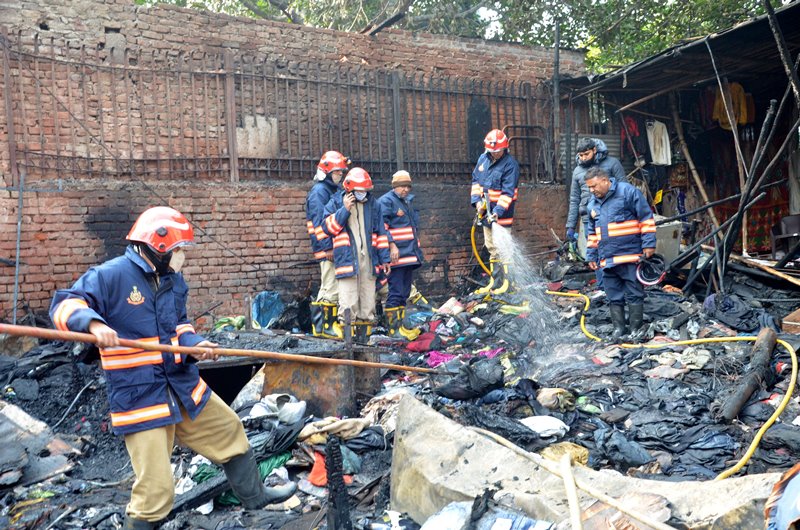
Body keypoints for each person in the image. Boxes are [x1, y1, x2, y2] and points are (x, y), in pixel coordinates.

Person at [49, 207, 295, 530]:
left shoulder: (174, 282)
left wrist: (195, 345)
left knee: (231, 431)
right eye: (178, 250)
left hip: (182, 387)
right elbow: (64, 304)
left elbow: (179, 326)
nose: (182, 257)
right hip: (141, 398)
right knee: (156, 491)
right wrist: (93, 324)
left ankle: (256, 497)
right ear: (159, 246)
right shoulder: (111, 276)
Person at [584, 168, 656, 340]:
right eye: (589, 188)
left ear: (604, 180)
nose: (592, 191)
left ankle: (635, 329)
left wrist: (649, 244)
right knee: (613, 295)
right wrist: (591, 256)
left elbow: (646, 218)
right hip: (607, 260)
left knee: (634, 293)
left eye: (594, 186)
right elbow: (592, 233)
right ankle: (619, 329)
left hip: (631, 256)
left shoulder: (628, 192)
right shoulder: (592, 204)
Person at [321, 168, 391, 342]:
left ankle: (364, 341)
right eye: (359, 191)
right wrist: (344, 209)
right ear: (349, 189)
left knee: (367, 303)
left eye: (364, 191)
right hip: (347, 261)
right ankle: (348, 342)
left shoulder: (373, 205)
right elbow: (328, 228)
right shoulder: (336, 202)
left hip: (369, 260)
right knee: (348, 301)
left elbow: (381, 233)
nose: (362, 194)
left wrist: (385, 259)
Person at [566, 138, 626, 288]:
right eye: (580, 155)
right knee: (596, 254)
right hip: (588, 219)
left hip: (612, 218)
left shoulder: (612, 164)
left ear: (594, 150)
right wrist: (571, 226)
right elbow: (574, 199)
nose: (583, 158)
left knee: (616, 252)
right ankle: (602, 288)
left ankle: (619, 286)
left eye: (586, 154)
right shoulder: (577, 171)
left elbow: (624, 190)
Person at [470, 128, 520, 295]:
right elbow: (476, 182)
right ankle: (496, 282)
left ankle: (509, 283)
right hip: (485, 213)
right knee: (491, 246)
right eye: (492, 151)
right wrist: (477, 202)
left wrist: (498, 211)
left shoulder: (510, 165)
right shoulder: (482, 160)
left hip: (502, 214)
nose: (495, 154)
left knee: (504, 248)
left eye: (497, 151)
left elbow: (508, 192)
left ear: (504, 148)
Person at [305, 150, 349, 339]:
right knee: (330, 285)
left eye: (341, 172)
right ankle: (326, 327)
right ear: (328, 172)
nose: (341, 175)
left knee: (329, 286)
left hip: (331, 246)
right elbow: (319, 222)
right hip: (327, 247)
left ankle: (323, 327)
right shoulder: (319, 192)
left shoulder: (331, 190)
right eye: (338, 172)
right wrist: (327, 247)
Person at [378, 170, 424, 339]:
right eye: (402, 186)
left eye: (407, 186)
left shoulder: (407, 202)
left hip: (409, 255)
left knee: (404, 292)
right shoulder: (386, 202)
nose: (405, 189)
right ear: (394, 186)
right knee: (395, 291)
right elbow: (382, 227)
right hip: (398, 256)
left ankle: (401, 327)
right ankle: (393, 329)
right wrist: (391, 245)